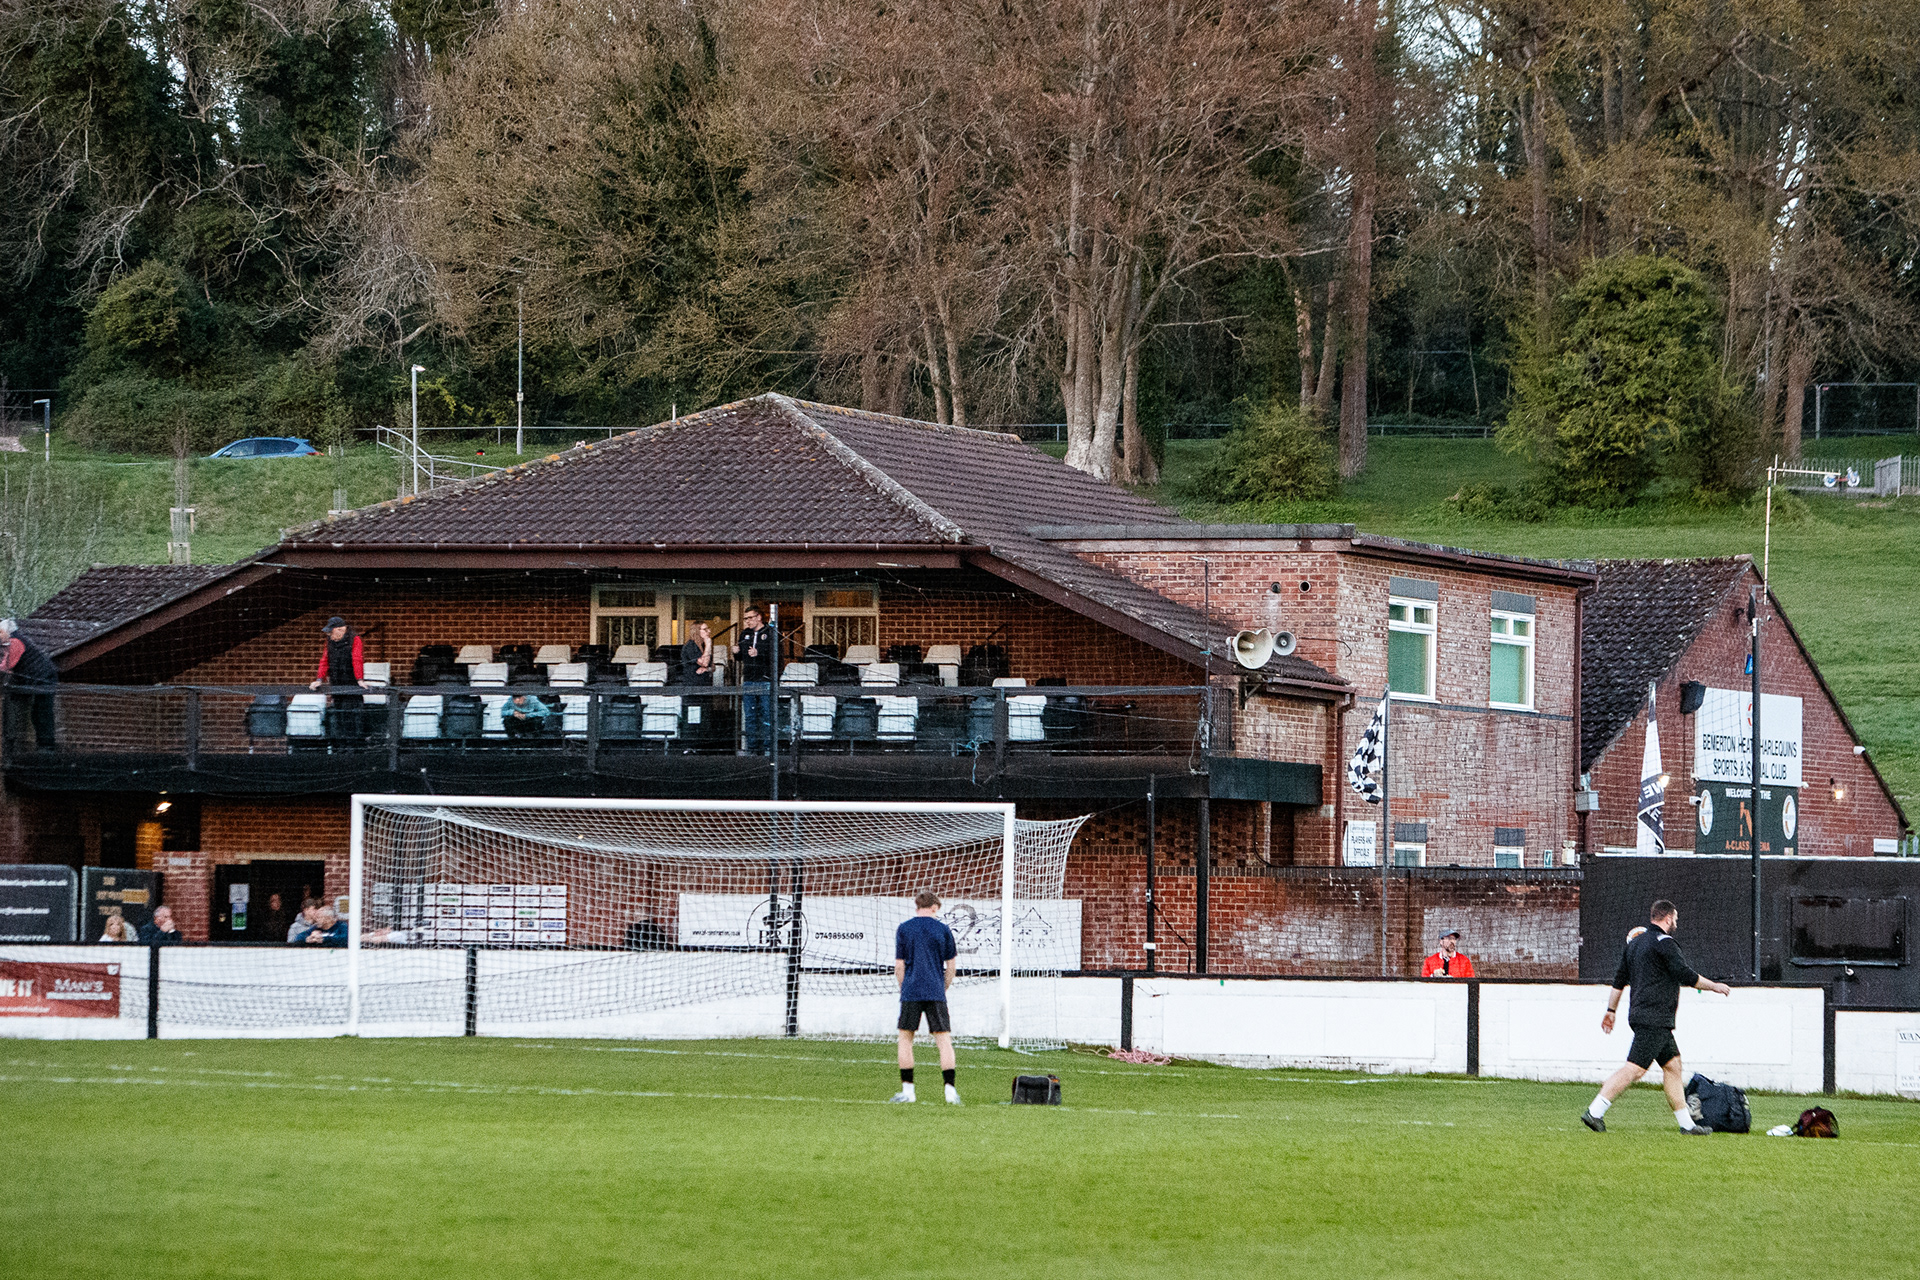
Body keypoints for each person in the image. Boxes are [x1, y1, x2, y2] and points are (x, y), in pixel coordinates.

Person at [1581, 899, 1731, 1134]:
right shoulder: (1666, 943)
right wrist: (1715, 986)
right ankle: (1595, 1111)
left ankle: (1687, 1125)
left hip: (1645, 1016)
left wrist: (1611, 1011)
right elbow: (1685, 974)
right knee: (1635, 1069)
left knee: (1673, 1066)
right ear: (1668, 918)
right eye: (1675, 919)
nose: (1676, 923)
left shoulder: (1635, 944)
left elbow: (1618, 982)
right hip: (1655, 1018)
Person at [890, 890, 961, 1105]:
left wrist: (905, 988)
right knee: (944, 1040)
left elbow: (899, 966)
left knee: (905, 1039)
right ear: (934, 907)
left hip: (911, 991)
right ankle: (950, 1093)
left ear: (917, 906)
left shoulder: (904, 928)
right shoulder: (943, 929)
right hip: (935, 991)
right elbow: (951, 966)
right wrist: (942, 988)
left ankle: (908, 1092)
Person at [0, 617, 59, 751]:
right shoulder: (9, 642)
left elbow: (7, 665)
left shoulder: (15, 642)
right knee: (25, 709)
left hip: (43, 677)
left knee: (42, 711)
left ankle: (46, 747)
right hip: (29, 679)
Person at [309, 615, 365, 739]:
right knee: (339, 713)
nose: (329, 635)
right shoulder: (329, 642)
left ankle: (354, 743)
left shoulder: (355, 639)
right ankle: (340, 743)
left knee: (353, 715)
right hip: (336, 681)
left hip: (351, 682)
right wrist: (319, 679)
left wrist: (359, 679)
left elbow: (357, 659)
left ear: (340, 629)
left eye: (331, 632)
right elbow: (325, 660)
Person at [733, 606, 777, 754]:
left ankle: (768, 748)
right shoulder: (744, 634)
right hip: (748, 679)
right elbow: (740, 657)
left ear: (759, 617)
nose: (748, 621)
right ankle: (751, 748)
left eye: (750, 618)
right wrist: (736, 653)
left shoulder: (770, 633)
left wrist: (759, 653)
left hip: (765, 679)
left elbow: (776, 656)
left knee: (767, 714)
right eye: (745, 619)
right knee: (750, 715)